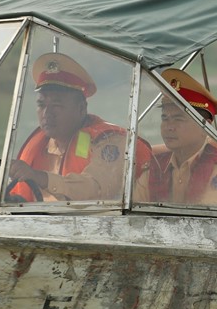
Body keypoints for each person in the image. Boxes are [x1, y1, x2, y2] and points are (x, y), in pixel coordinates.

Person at [8, 52, 152, 202]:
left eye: (57, 105)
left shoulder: (112, 142)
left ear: (81, 108)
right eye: (41, 104)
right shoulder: (39, 145)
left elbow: (96, 189)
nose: (47, 113)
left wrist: (38, 177)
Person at [135, 69, 217, 207]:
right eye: (165, 118)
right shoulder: (155, 167)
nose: (169, 127)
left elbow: (206, 221)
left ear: (205, 126)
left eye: (178, 119)